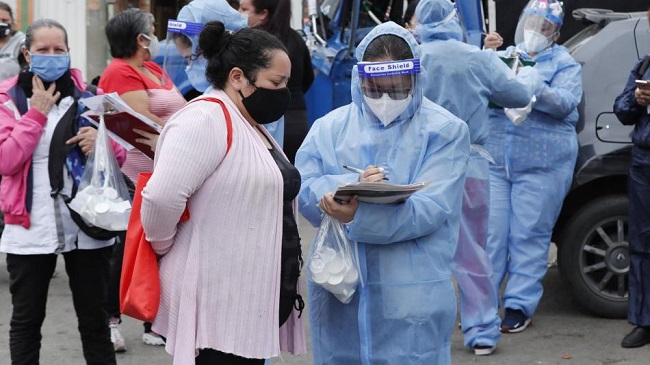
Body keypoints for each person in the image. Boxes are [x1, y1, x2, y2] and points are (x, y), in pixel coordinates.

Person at [296, 22, 469, 364]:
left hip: (412, 292)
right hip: (341, 288)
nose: (386, 99)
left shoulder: (445, 130)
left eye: (398, 88)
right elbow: (303, 185)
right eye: (375, 89)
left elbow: (431, 208)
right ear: (359, 81)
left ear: (415, 80)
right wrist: (339, 192)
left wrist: (358, 215)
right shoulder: (329, 128)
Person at [140, 21, 306, 364]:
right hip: (219, 303)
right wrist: (164, 245)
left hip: (250, 300)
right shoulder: (205, 119)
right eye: (276, 82)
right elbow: (160, 197)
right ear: (237, 77)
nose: (283, 92)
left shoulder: (250, 122)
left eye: (286, 83)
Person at [411, 0, 541, 355]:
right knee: (471, 252)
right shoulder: (478, 58)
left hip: (420, 168)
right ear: (456, 19)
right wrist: (524, 74)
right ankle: (481, 330)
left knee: (418, 250)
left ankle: (420, 329)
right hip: (470, 167)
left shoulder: (414, 57)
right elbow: (518, 94)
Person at [0, 18, 126, 365]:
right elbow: (6, 160)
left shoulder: (89, 99)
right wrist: (36, 116)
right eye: (43, 50)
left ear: (70, 53)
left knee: (95, 324)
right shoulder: (9, 99)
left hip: (87, 228)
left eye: (59, 50)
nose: (52, 56)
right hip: (29, 228)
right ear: (27, 53)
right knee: (26, 324)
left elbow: (120, 156)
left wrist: (100, 144)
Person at [481, 0, 582, 333]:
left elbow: (567, 104)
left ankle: (518, 305)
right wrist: (486, 56)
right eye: (531, 22)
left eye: (543, 26)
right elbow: (481, 92)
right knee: (493, 236)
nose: (534, 31)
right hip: (497, 163)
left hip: (543, 165)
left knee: (529, 235)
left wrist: (536, 87)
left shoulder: (564, 64)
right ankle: (482, 302)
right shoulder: (507, 58)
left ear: (555, 32)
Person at [99, 8, 187, 351]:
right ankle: (111, 322)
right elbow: (141, 122)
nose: (155, 34)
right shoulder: (119, 72)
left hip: (164, 170)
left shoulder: (150, 68)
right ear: (140, 38)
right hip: (136, 174)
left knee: (161, 249)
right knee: (125, 252)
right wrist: (186, 135)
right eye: (151, 30)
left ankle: (154, 322)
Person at [170, 0, 286, 146]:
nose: (189, 66)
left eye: (190, 58)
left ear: (207, 50)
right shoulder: (250, 86)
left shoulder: (225, 101)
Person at [614, 6, 650, 349]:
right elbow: (622, 110)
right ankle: (643, 321)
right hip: (644, 164)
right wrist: (636, 99)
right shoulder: (644, 64)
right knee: (641, 244)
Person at [239, 0, 314, 163]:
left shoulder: (253, 44)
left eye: (244, 9)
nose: (238, 13)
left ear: (263, 14)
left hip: (266, 125)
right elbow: (308, 78)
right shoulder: (296, 39)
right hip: (297, 121)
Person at [0, 1, 25, 81]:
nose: (1, 24)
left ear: (12, 21)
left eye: (4, 20)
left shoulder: (21, 42)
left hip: (11, 92)